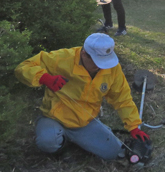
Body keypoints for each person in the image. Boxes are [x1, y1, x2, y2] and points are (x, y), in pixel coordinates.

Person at [15, 33, 149, 159]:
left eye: (105, 61)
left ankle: (77, 138)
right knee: (47, 141)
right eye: (97, 62)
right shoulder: (62, 58)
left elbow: (122, 98)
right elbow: (23, 67)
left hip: (85, 122)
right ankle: (61, 144)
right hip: (53, 117)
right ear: (84, 54)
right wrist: (44, 78)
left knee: (113, 154)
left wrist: (133, 126)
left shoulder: (112, 68)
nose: (101, 67)